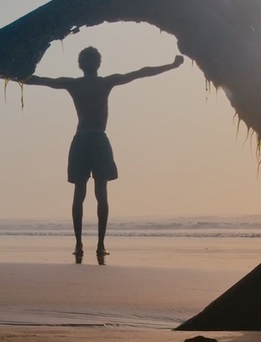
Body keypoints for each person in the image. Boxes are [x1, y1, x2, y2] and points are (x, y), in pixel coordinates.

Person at [24, 47, 183, 263]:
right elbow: (140, 72)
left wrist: (9, 74)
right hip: (98, 140)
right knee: (101, 193)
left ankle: (79, 244)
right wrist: (171, 66)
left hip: (81, 141)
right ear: (98, 64)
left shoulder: (74, 84)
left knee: (80, 194)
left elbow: (40, 80)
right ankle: (100, 245)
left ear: (81, 65)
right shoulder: (105, 82)